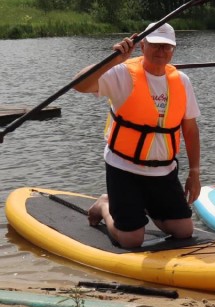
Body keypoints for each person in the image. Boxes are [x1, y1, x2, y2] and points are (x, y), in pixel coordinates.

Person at [72, 22, 200, 248]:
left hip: (163, 171)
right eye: (155, 46)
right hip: (124, 169)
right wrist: (113, 59)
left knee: (184, 230)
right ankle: (105, 205)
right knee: (132, 240)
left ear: (173, 50)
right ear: (143, 46)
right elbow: (79, 84)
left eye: (166, 47)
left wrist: (195, 173)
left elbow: (190, 130)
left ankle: (144, 206)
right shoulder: (122, 74)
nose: (161, 52)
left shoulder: (181, 81)